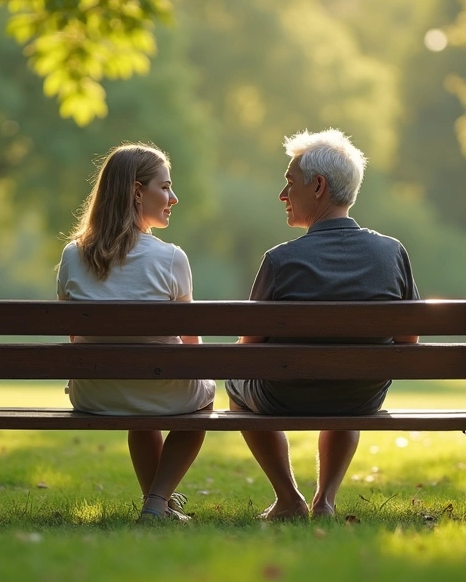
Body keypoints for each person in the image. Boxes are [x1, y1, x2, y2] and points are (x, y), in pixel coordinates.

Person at [226, 129, 420, 520]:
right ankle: (325, 501)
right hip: (360, 397)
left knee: (235, 385)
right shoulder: (392, 253)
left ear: (318, 186)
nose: (283, 195)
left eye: (289, 183)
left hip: (284, 396)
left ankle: (288, 498)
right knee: (349, 377)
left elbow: (247, 351)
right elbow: (408, 339)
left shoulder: (280, 261)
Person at [56, 143, 214, 521]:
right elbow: (192, 347)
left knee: (145, 400)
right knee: (200, 402)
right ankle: (157, 502)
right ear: (137, 192)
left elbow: (73, 339)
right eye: (165, 187)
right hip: (160, 391)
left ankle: (157, 506)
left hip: (94, 394)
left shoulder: (72, 256)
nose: (173, 198)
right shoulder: (172, 257)